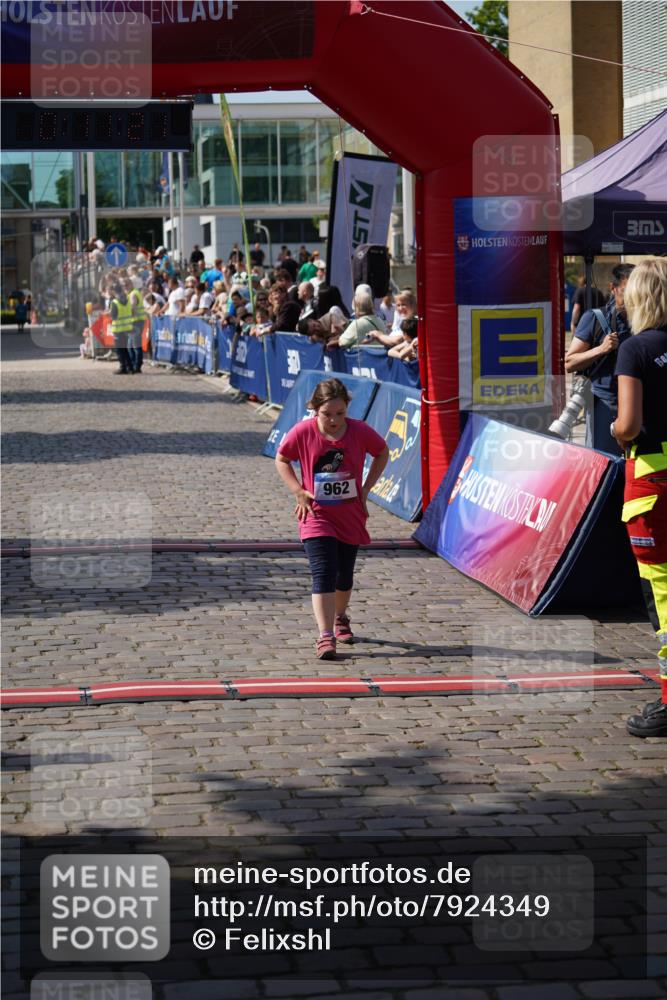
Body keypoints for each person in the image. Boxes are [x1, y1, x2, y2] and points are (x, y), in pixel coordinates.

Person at [275, 378, 389, 659]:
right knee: (323, 571)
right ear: (315, 410)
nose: (334, 420)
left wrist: (365, 489)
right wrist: (298, 491)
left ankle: (340, 616)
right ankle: (325, 636)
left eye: (340, 413)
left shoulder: (360, 431)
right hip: (316, 514)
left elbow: (382, 452)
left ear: (348, 409)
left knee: (344, 575)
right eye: (327, 414)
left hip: (350, 514)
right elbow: (281, 458)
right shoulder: (302, 431)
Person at [610, 258, 667, 738]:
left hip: (652, 479)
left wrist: (613, 429)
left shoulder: (636, 349)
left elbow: (627, 425)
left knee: (663, 593)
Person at [565, 263, 634, 452]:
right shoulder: (594, 318)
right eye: (626, 291)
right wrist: (601, 349)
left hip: (637, 403)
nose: (632, 297)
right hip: (604, 405)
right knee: (604, 463)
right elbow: (570, 362)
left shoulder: (645, 320)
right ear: (613, 288)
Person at [108, 282, 134, 374]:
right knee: (125, 349)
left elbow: (113, 316)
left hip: (118, 329)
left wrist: (109, 313)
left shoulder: (114, 302)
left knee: (120, 350)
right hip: (127, 327)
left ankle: (123, 367)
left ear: (114, 291)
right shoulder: (127, 300)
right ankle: (130, 367)